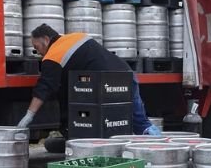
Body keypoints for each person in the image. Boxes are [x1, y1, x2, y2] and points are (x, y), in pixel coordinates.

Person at [16, 24, 161, 139]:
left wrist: (29, 115)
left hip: (104, 84)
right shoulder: (77, 36)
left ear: (46, 39)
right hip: (126, 74)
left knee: (90, 122)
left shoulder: (53, 55)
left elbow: (45, 87)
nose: (38, 53)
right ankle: (158, 147)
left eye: (37, 48)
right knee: (139, 121)